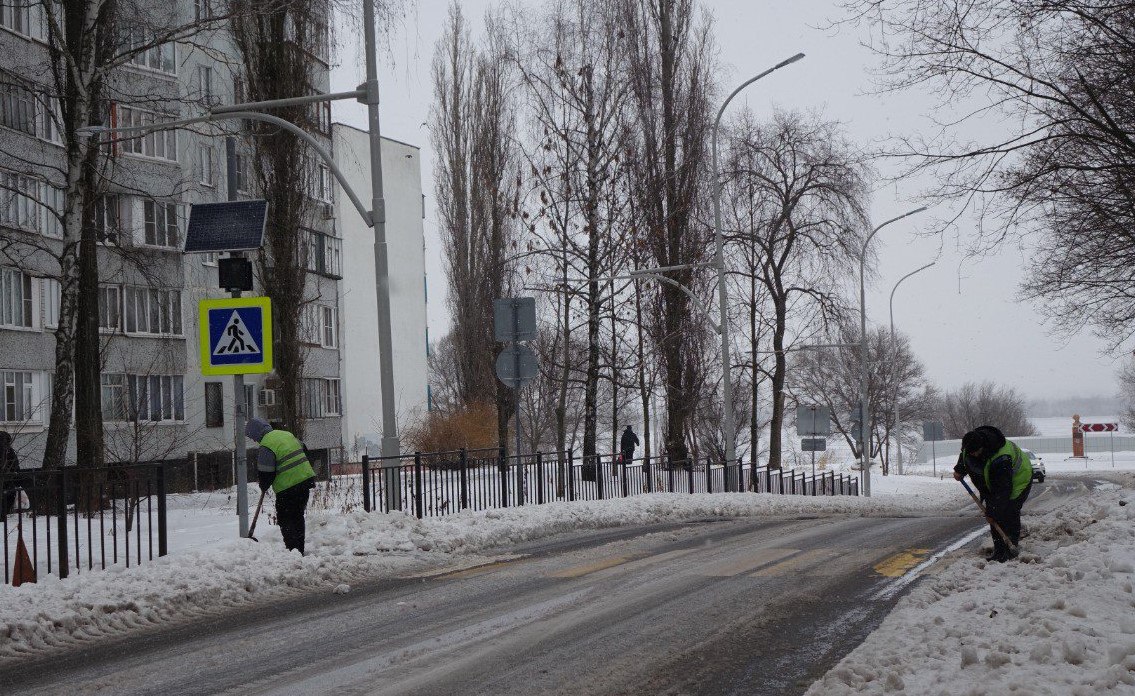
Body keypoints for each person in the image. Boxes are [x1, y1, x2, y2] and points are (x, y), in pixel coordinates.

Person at [953, 425, 1032, 562]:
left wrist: (992, 512)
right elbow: (965, 456)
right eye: (969, 452)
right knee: (994, 513)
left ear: (982, 448)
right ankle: (999, 550)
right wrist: (960, 469)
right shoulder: (971, 445)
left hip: (1019, 481)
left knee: (1008, 512)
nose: (972, 455)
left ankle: (1009, 549)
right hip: (994, 484)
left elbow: (1002, 491)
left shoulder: (1001, 457)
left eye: (974, 452)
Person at [245, 418, 316, 554]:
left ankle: (292, 551)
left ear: (256, 434)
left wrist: (264, 485)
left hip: (288, 488)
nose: (254, 441)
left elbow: (266, 473)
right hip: (305, 482)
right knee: (298, 516)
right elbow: (304, 449)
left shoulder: (266, 445)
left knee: (286, 519)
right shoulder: (286, 434)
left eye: (252, 437)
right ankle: (299, 550)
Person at [1, 431, 20, 513]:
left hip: (7, 480)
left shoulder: (8, 450)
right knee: (8, 497)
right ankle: (3, 514)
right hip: (7, 480)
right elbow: (15, 465)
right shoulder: (8, 450)